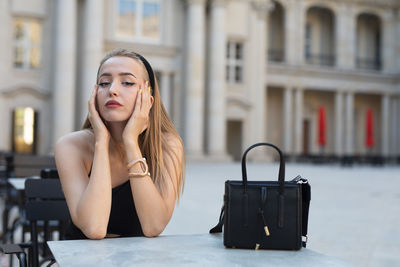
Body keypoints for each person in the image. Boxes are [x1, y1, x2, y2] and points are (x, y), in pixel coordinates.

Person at [54, 48, 185, 239]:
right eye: (104, 83)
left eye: (127, 82)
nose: (112, 90)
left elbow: (153, 226)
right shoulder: (70, 146)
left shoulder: (168, 145)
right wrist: (101, 141)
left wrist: (131, 142)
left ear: (148, 99)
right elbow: (94, 228)